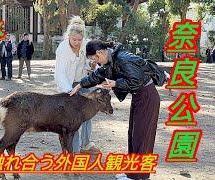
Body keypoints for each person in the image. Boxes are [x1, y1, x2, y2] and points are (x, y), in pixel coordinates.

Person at [70, 40, 166, 180]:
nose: (95, 62)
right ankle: (132, 173)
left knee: (142, 136)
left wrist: (116, 83)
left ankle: (140, 176)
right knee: (133, 134)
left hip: (147, 96)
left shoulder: (122, 59)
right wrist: (79, 86)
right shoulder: (110, 60)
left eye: (94, 59)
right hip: (139, 97)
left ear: (99, 53)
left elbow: (137, 81)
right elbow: (96, 76)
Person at [54, 16, 101, 154]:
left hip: (83, 82)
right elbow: (60, 73)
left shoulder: (86, 45)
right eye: (74, 39)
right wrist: (69, 92)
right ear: (68, 36)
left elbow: (91, 64)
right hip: (68, 84)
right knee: (72, 118)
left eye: (79, 40)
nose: (77, 42)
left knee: (88, 113)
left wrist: (92, 65)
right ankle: (71, 150)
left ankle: (86, 144)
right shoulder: (62, 49)